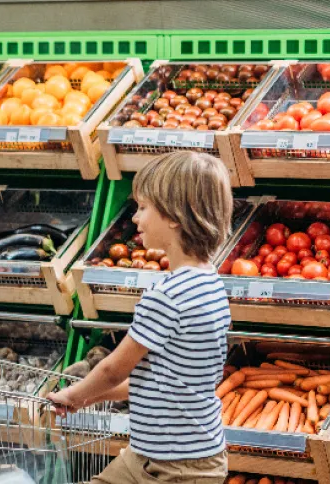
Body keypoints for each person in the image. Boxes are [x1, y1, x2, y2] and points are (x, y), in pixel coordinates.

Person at [48, 151, 234, 484]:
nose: (135, 218)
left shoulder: (167, 295)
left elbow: (112, 368)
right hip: (156, 457)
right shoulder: (211, 284)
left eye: (143, 207)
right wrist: (93, 397)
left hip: (178, 470)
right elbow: (159, 383)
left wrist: (73, 395)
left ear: (174, 217)